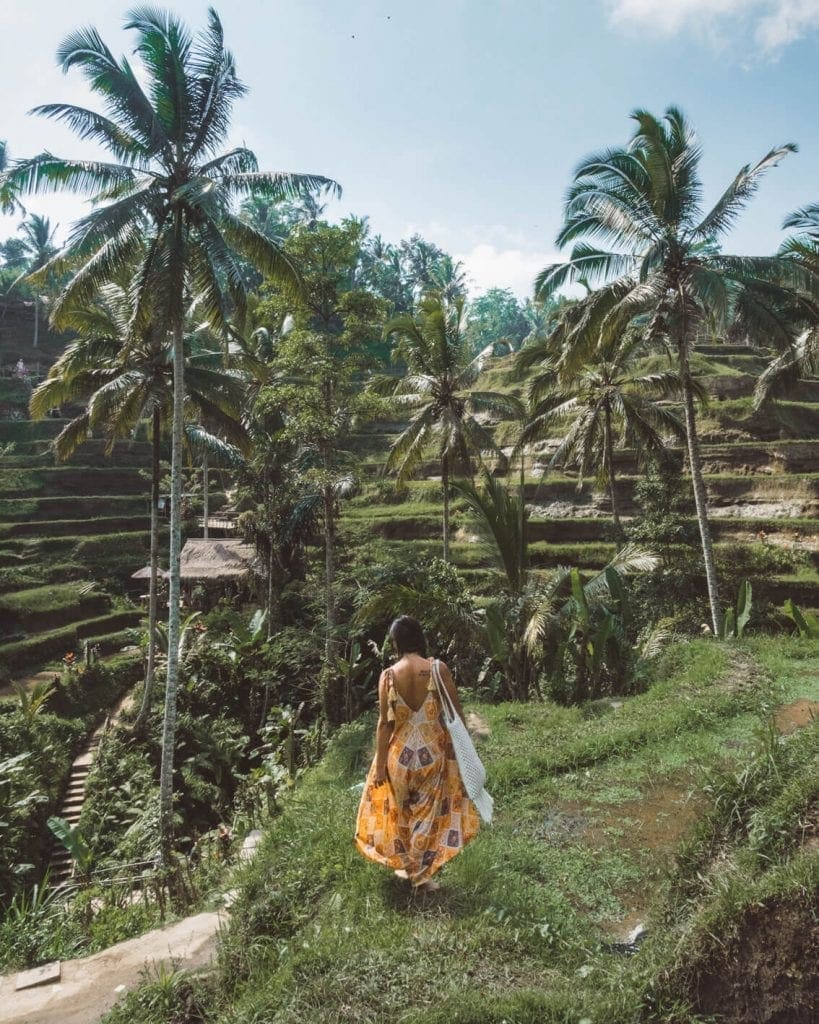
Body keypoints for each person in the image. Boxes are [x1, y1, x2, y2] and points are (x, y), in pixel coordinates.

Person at [355, 615, 480, 891]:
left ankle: (409, 869)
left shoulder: (388, 676)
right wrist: (463, 748)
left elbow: (384, 724)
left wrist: (379, 767)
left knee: (402, 813)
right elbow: (455, 713)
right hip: (430, 754)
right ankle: (421, 876)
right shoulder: (437, 669)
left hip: (398, 756)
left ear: (396, 643)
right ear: (419, 638)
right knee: (425, 814)